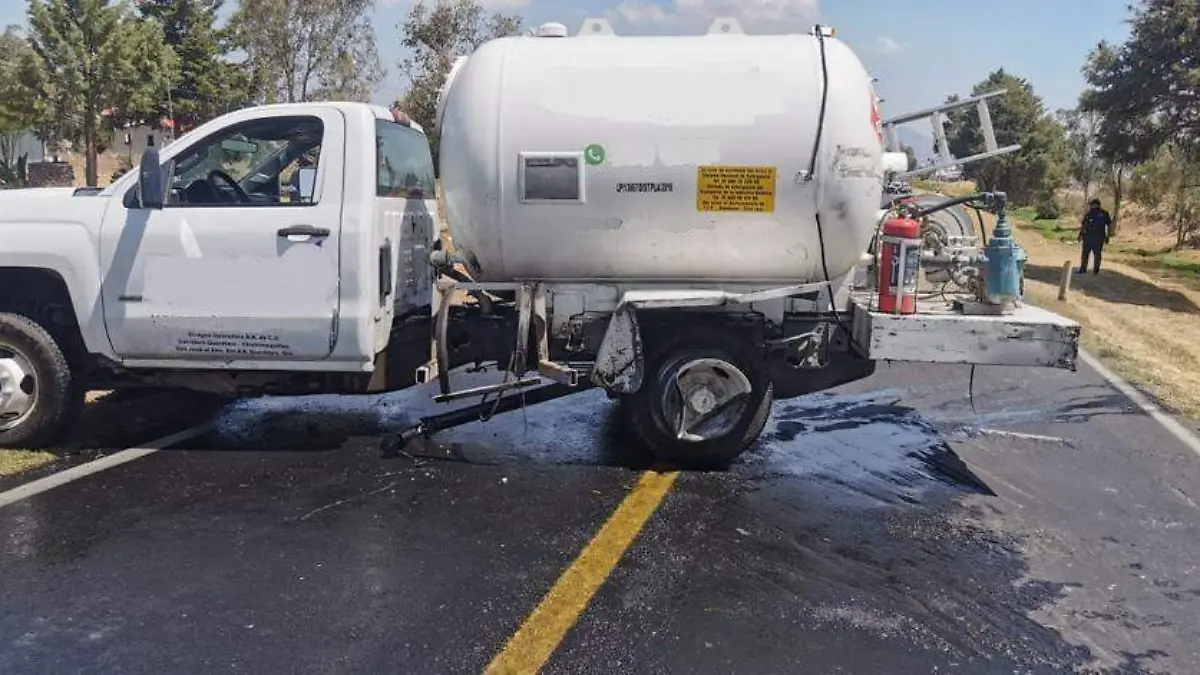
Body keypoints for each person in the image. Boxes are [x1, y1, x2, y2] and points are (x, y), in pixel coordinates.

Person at [1078, 198, 1113, 275]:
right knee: (1085, 254)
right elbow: (1083, 225)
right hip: (1087, 237)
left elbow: (1109, 225)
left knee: (1097, 254)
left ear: (1096, 205)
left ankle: (1096, 270)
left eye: (1092, 205)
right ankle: (1083, 269)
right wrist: (1080, 234)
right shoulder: (1088, 214)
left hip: (1098, 237)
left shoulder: (1104, 214)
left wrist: (1108, 236)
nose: (1090, 206)